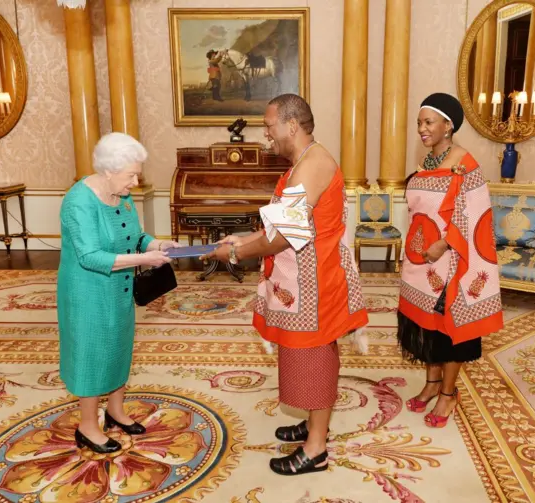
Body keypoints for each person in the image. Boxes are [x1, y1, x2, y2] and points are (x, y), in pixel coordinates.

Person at [201, 93, 368, 476]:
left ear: (292, 125)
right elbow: (275, 227)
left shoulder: (314, 165)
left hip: (318, 280)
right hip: (301, 282)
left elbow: (282, 237)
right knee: (302, 356)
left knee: (316, 357)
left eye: (269, 126)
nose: (265, 134)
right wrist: (238, 241)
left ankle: (316, 449)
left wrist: (236, 253)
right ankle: (313, 425)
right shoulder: (300, 164)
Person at [57, 132, 179, 453]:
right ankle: (87, 426)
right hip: (87, 291)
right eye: (131, 175)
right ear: (109, 171)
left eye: (137, 174)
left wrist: (156, 244)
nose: (135, 182)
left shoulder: (121, 195)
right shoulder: (78, 201)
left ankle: (115, 411)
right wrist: (145, 259)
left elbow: (136, 237)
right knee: (91, 354)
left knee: (118, 347)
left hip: (119, 287)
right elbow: (90, 256)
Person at [398, 92, 503, 427]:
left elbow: (476, 214)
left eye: (428, 122)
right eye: (419, 123)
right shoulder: (427, 163)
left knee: (448, 332)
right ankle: (430, 384)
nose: (422, 129)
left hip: (451, 263)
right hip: (420, 262)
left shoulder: (464, 164)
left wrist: (443, 244)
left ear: (448, 125)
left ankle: (448, 393)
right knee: (426, 328)